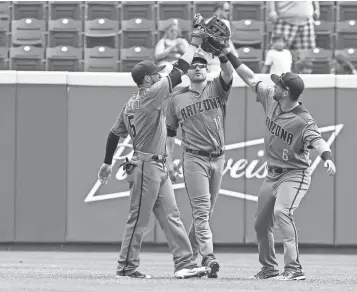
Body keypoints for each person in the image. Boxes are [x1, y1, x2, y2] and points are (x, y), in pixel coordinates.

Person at [97, 15, 208, 279]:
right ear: (147, 80)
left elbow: (114, 135)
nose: (159, 77)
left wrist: (106, 162)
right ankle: (127, 267)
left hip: (156, 165)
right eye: (155, 75)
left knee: (172, 216)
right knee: (138, 220)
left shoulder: (131, 102)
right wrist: (195, 42)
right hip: (146, 165)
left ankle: (184, 264)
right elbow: (180, 70)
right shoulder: (150, 95)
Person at [221, 44, 336, 280]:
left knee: (283, 212)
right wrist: (227, 53)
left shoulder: (303, 120)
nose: (273, 85)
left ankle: (294, 268)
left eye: (278, 84)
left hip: (295, 174)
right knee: (261, 224)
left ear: (285, 92)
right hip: (272, 174)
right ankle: (269, 268)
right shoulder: (272, 99)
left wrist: (327, 158)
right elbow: (250, 77)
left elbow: (319, 141)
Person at [166, 51, 233, 278]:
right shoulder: (177, 98)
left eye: (202, 65)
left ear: (207, 70)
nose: (197, 68)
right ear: (187, 71)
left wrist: (223, 54)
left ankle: (189, 259)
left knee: (205, 212)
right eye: (193, 65)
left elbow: (228, 71)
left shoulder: (216, 88)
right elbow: (169, 132)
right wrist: (168, 158)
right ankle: (208, 256)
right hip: (194, 158)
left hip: (218, 157)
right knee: (202, 211)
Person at [204, 1, 238, 75]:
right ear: (219, 10)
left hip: (224, 62)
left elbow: (228, 42)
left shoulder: (226, 22)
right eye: (226, 10)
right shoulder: (208, 23)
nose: (228, 13)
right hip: (213, 64)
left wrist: (235, 55)